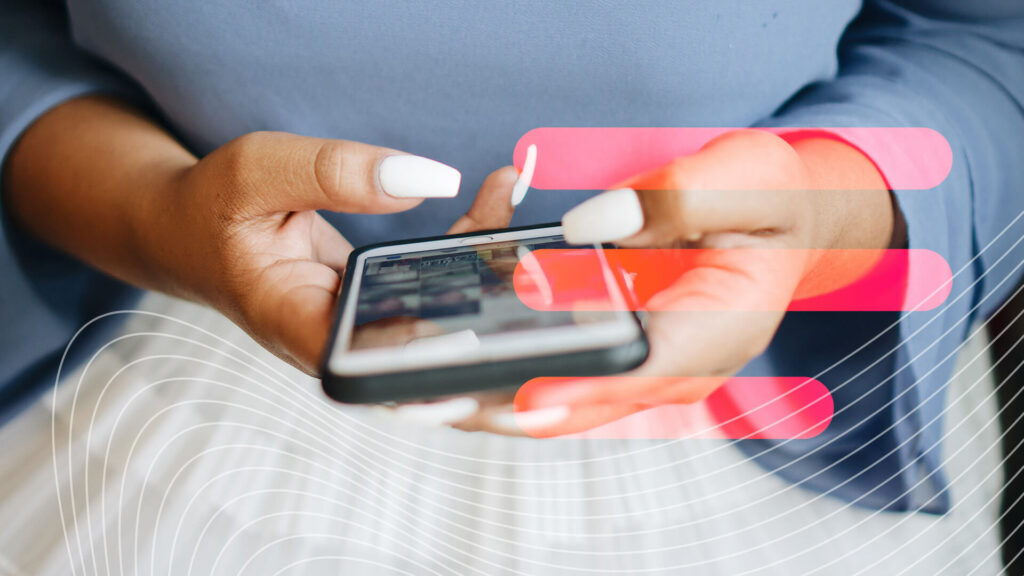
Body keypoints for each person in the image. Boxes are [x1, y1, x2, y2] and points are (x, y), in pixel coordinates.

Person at [1, 0, 1022, 573]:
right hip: (169, 412)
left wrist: (825, 208)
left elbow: (991, 39)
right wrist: (150, 208)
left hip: (777, 421)